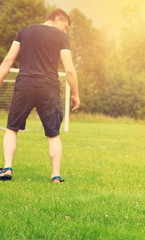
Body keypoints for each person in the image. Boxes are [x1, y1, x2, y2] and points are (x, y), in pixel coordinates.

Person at [0, 9, 80, 183]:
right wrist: (76, 93)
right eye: (64, 27)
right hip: (49, 88)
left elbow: (7, 61)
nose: (64, 31)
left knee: (12, 128)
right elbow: (69, 70)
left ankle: (7, 169)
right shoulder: (61, 38)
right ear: (56, 19)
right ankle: (56, 176)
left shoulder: (25, 30)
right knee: (53, 134)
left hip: (25, 85)